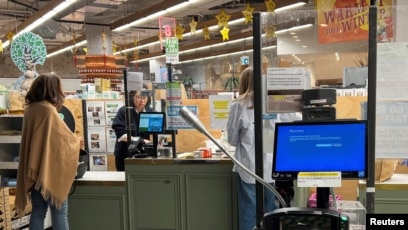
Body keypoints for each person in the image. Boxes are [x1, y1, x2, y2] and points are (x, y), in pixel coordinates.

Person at [15, 73, 81, 230]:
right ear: (52, 89)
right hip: (50, 171)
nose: (62, 90)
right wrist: (77, 142)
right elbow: (63, 141)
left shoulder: (31, 109)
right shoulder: (49, 111)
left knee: (38, 211)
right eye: (60, 87)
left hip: (35, 169)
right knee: (60, 213)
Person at [227, 67, 276, 230]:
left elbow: (232, 140)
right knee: (270, 215)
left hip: (248, 168)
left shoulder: (239, 105)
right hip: (270, 168)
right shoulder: (272, 103)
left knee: (249, 215)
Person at [112, 86, 152, 171]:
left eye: (144, 97)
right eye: (138, 97)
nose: (142, 100)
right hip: (125, 155)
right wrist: (141, 141)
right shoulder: (124, 111)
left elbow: (155, 129)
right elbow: (121, 135)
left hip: (143, 155)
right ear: (132, 97)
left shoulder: (150, 111)